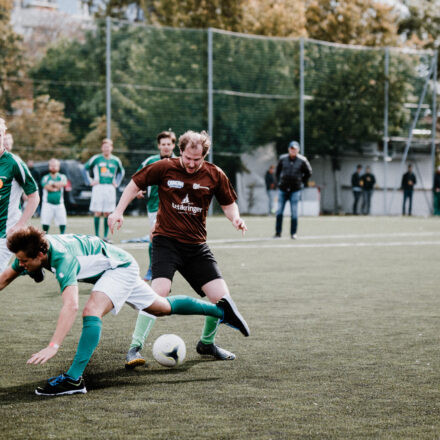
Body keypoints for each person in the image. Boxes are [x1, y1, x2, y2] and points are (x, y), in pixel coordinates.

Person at [0, 226, 249, 396]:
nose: (20, 265)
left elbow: (71, 305)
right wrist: (20, 266)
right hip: (118, 264)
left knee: (91, 311)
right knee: (161, 307)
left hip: (118, 268)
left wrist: (53, 345)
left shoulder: (62, 258)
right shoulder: (27, 250)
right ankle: (221, 311)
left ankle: (73, 379)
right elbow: (3, 279)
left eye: (24, 262)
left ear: (41, 254)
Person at [108, 130, 249, 367]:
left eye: (198, 159)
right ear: (180, 151)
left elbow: (228, 203)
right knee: (157, 293)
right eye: (188, 158)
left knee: (221, 298)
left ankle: (206, 344)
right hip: (166, 242)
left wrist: (235, 219)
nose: (192, 164)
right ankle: (135, 347)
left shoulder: (215, 174)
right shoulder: (164, 167)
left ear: (205, 155)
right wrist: (118, 211)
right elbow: (135, 183)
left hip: (196, 247)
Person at [0, 118, 39, 273]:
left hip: (5, 233)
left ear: (3, 135)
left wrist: (20, 224)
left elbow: (34, 196)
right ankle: (26, 265)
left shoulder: (14, 163)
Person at [137, 130, 176, 281]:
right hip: (155, 205)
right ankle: (152, 268)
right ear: (159, 146)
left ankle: (170, 267)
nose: (166, 147)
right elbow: (139, 178)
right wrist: (140, 189)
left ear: (173, 145)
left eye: (168, 144)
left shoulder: (179, 162)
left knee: (172, 238)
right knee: (154, 236)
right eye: (163, 144)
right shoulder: (150, 161)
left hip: (175, 206)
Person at [84, 139, 125, 243]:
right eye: (104, 147)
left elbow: (121, 171)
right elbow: (84, 168)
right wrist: (90, 181)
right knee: (98, 212)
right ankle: (97, 236)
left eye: (108, 147)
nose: (106, 148)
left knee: (108, 212)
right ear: (102, 148)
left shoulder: (116, 160)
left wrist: (117, 182)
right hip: (98, 187)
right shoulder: (96, 158)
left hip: (110, 188)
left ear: (112, 148)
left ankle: (105, 237)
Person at [274, 141, 312, 239]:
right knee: (279, 212)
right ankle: (278, 233)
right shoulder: (283, 159)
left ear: (298, 150)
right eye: (291, 148)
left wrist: (301, 182)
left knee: (294, 213)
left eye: (295, 149)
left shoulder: (302, 160)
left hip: (295, 189)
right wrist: (279, 182)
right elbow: (277, 172)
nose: (293, 150)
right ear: (289, 149)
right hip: (283, 188)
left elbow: (309, 172)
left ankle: (293, 233)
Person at [40, 158, 68, 233]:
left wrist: (52, 184)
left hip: (59, 204)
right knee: (45, 222)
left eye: (55, 166)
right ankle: (44, 237)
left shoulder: (62, 176)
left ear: (58, 167)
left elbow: (64, 183)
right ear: (49, 167)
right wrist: (56, 185)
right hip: (47, 203)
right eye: (51, 165)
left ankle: (62, 236)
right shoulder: (45, 177)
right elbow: (47, 187)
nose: (53, 167)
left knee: (62, 221)